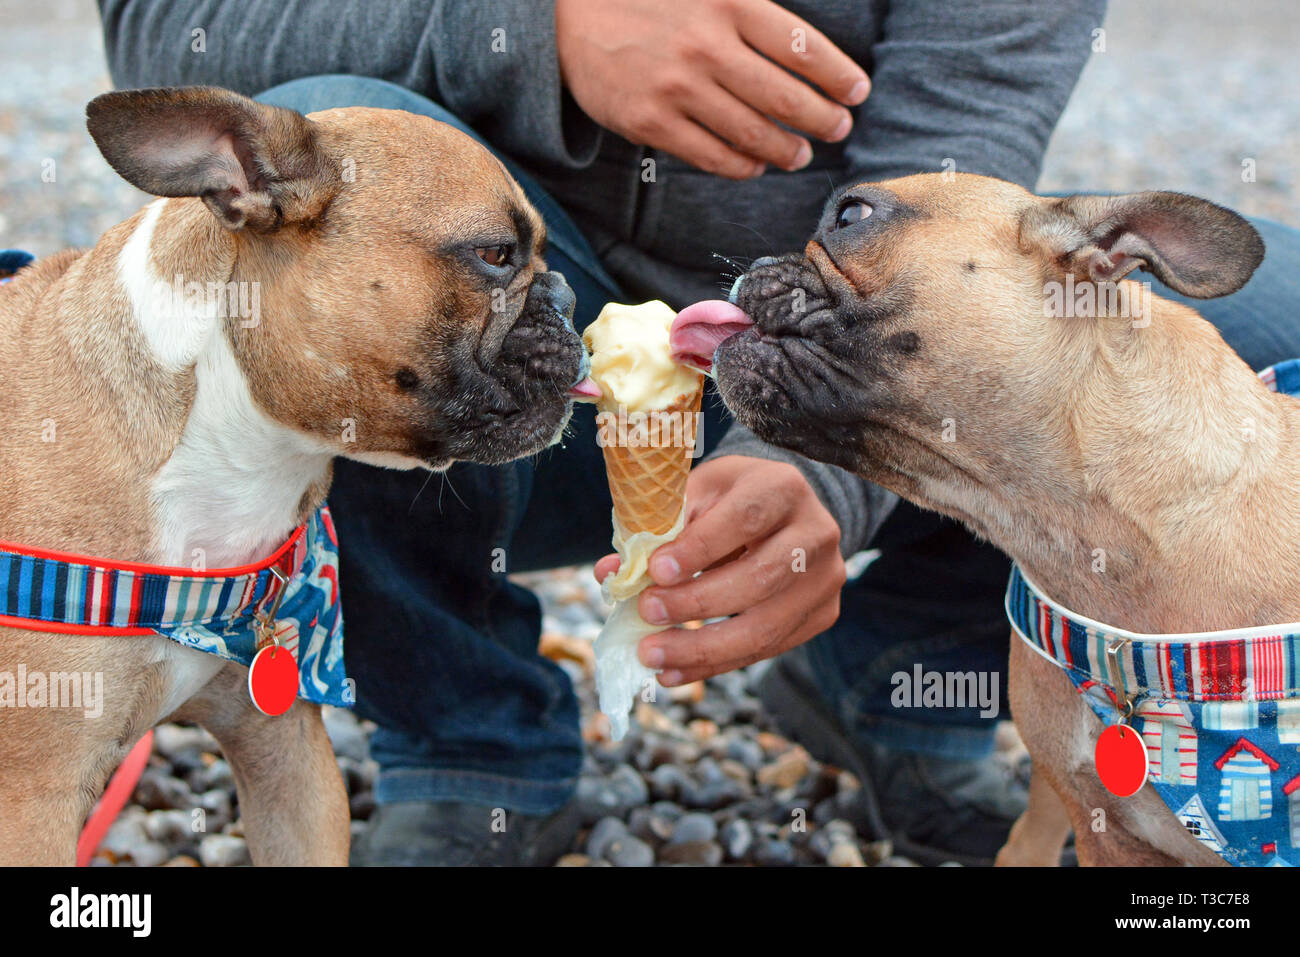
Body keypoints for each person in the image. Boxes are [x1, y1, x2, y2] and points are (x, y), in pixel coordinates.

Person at [96, 0, 1300, 865]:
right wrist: (536, 35)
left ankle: (899, 681)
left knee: (1254, 314)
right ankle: (465, 736)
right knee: (326, 127)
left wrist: (818, 482)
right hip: (513, 373)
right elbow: (169, 31)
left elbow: (960, 162)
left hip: (813, 355)